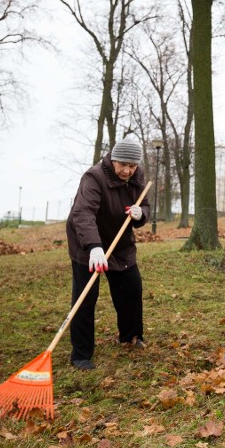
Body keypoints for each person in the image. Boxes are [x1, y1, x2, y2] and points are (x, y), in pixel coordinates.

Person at [66, 137, 151, 370]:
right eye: (123, 164)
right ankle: (81, 354)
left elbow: (145, 205)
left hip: (120, 242)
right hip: (87, 242)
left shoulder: (137, 176)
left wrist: (139, 213)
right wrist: (94, 247)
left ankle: (131, 337)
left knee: (131, 288)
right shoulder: (94, 178)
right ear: (113, 159)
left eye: (132, 166)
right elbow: (83, 213)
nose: (127, 170)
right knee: (86, 296)